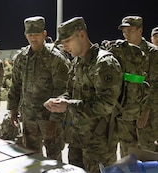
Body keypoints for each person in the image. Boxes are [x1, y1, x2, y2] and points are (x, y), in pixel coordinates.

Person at [43, 17, 123, 172]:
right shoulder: (77, 63)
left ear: (81, 34)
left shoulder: (104, 63)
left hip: (99, 145)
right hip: (77, 139)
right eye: (62, 43)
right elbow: (71, 92)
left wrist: (68, 105)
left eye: (67, 41)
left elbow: (106, 104)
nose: (65, 47)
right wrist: (60, 100)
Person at [7, 16, 70, 161]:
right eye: (30, 35)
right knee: (32, 156)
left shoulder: (55, 58)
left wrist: (54, 120)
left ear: (44, 34)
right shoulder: (21, 57)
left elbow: (63, 91)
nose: (33, 38)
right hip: (29, 118)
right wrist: (13, 109)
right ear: (25, 35)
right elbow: (16, 85)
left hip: (49, 118)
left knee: (54, 159)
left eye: (36, 35)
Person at [116, 16, 158, 155]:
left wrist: (146, 111)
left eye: (130, 30)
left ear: (140, 30)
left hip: (147, 113)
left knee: (146, 151)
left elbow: (155, 85)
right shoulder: (120, 52)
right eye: (124, 31)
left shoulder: (153, 53)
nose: (126, 34)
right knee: (126, 152)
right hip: (126, 112)